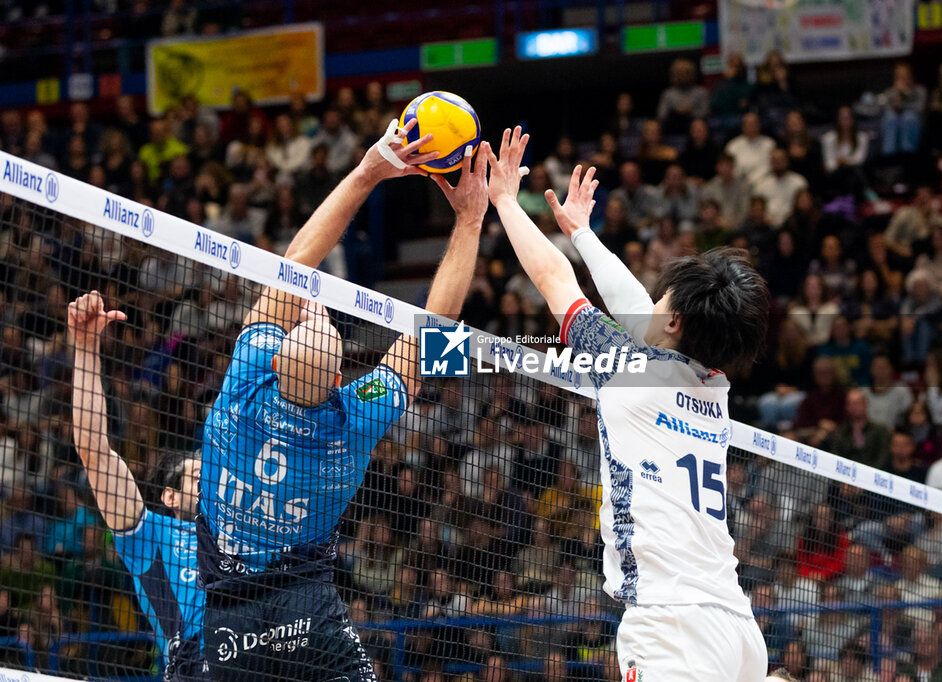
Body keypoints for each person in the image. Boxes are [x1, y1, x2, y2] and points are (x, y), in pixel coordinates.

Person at [196, 120, 488, 682]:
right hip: (310, 618)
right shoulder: (355, 418)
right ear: (339, 381)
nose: (315, 309)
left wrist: (367, 171)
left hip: (228, 629)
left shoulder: (242, 389)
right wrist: (471, 220)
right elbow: (437, 329)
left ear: (274, 359)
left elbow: (298, 258)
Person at [484, 126, 769, 680]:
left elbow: (554, 278)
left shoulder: (628, 369)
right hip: (737, 626)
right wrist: (582, 232)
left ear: (675, 321)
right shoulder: (713, 384)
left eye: (663, 297)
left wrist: (505, 202)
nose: (650, 301)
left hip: (670, 626)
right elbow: (640, 311)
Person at [68, 291, 205, 680]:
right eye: (198, 478)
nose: (209, 485)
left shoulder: (237, 532)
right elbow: (94, 452)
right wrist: (85, 347)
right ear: (170, 495)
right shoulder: (150, 536)